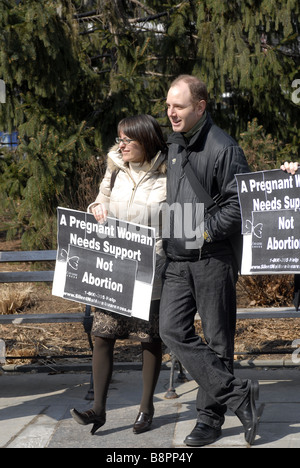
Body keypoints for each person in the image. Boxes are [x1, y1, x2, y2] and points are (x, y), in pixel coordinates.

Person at [159, 75, 261, 447]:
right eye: (168, 105)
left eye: (179, 106)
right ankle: (238, 395)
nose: (171, 112)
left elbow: (239, 204)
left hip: (212, 256)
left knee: (218, 340)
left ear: (200, 107)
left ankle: (209, 419)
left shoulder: (223, 147)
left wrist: (202, 233)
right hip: (176, 259)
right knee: (171, 330)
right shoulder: (175, 143)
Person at [70, 114, 167, 435]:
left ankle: (146, 407)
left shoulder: (169, 174)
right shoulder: (114, 171)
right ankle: (98, 410)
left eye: (128, 140)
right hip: (113, 267)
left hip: (149, 270)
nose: (121, 145)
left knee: (149, 339)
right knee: (102, 335)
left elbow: (182, 221)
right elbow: (100, 201)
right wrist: (95, 208)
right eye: (119, 139)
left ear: (147, 141)